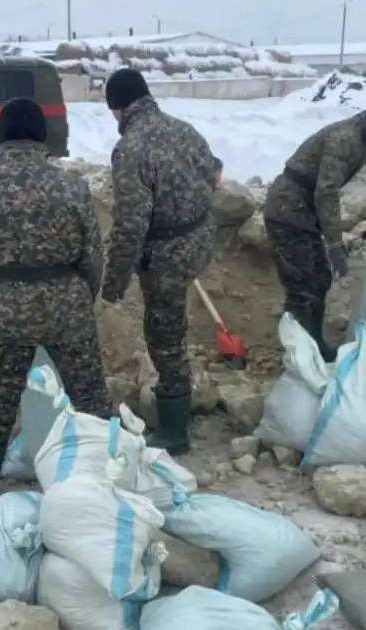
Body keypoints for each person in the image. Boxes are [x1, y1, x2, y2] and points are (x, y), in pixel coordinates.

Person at [0, 98, 111, 492]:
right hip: (66, 305)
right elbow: (93, 256)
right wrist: (79, 295)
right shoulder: (72, 186)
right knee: (89, 398)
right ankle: (108, 481)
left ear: (2, 135)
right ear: (42, 135)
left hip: (4, 309)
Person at [100, 68, 223, 455]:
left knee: (164, 336)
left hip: (166, 256)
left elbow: (131, 224)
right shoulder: (186, 130)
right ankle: (179, 400)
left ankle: (174, 430)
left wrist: (115, 281)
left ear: (117, 108)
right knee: (172, 322)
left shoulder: (131, 148)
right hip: (199, 240)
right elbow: (214, 172)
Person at [261, 100, 366, 362]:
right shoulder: (345, 139)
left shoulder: (360, 139)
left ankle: (312, 344)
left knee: (318, 279)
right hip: (287, 210)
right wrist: (334, 243)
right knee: (303, 286)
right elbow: (326, 191)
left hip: (302, 212)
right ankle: (298, 355)